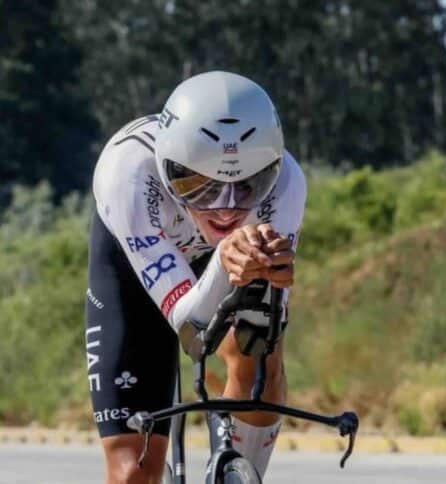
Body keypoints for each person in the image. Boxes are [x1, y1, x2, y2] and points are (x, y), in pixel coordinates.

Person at [85, 71, 306, 483]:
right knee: (132, 471)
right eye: (200, 187)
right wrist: (224, 259)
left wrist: (267, 279)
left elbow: (261, 330)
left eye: (248, 186)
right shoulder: (129, 173)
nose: (225, 211)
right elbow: (191, 329)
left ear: (272, 170)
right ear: (167, 170)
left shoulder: (286, 183)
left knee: (259, 351)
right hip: (134, 269)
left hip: (226, 264)